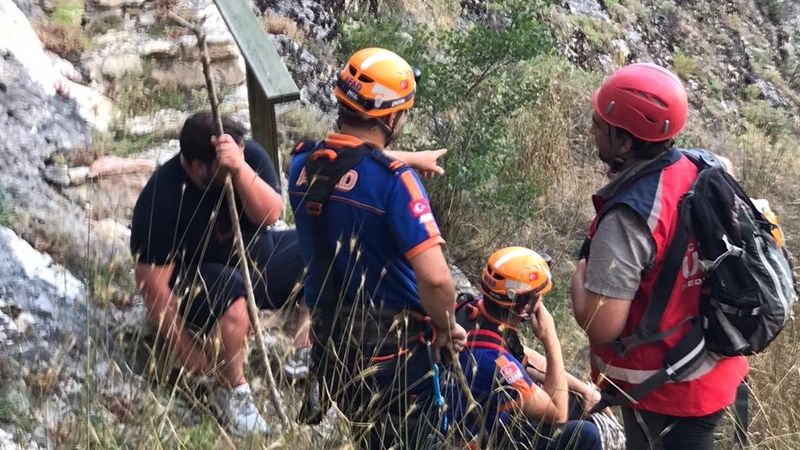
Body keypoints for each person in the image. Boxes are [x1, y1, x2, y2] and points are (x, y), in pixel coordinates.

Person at [288, 47, 467, 448]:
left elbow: (342, 161)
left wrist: (403, 159)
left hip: (333, 345)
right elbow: (437, 280)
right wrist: (444, 326)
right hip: (395, 354)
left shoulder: (300, 165)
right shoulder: (393, 182)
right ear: (392, 117)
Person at [570, 63, 749, 449]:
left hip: (666, 390)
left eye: (601, 125)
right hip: (714, 367)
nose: (593, 130)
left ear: (625, 143)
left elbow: (602, 326)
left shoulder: (629, 218)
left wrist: (579, 279)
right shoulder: (704, 169)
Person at [130, 111, 312, 435]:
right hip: (199, 280)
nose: (235, 162)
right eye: (223, 166)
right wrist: (186, 350)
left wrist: (239, 169)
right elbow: (152, 283)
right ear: (197, 165)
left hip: (256, 261)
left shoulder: (244, 155)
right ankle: (233, 389)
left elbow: (271, 214)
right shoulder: (163, 196)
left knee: (319, 245)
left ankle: (303, 349)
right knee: (232, 293)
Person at [447, 247, 602, 450]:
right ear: (525, 307)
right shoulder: (498, 365)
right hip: (480, 440)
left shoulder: (471, 311)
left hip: (481, 420)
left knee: (574, 399)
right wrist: (550, 339)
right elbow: (558, 412)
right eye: (539, 297)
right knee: (587, 435)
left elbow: (524, 355)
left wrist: (584, 390)